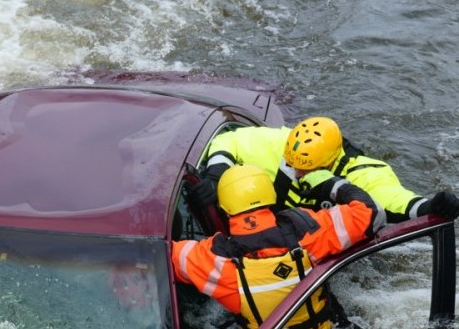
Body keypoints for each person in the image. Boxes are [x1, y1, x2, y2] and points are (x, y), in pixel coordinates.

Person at [172, 163, 386, 329]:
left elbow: (157, 254)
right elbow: (373, 213)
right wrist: (332, 184)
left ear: (226, 209)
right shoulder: (310, 230)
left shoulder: (212, 258)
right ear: (271, 196)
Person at [189, 117, 459, 224]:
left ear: (329, 163)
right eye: (294, 166)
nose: (297, 175)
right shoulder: (284, 144)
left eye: (306, 170)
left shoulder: (364, 173)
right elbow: (230, 138)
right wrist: (216, 175)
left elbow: (396, 202)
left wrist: (430, 206)